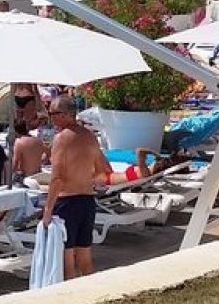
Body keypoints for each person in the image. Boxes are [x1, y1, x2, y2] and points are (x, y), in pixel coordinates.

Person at [42, 95, 110, 280]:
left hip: (67, 202)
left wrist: (48, 210)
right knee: (84, 257)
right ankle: (93, 297)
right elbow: (103, 170)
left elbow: (57, 178)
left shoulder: (61, 139)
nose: (50, 117)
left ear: (64, 115)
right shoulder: (89, 136)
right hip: (87, 201)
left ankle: (69, 301)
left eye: (53, 113)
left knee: (66, 259)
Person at [104, 149, 188, 185]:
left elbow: (140, 151)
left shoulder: (145, 172)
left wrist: (154, 152)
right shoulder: (146, 172)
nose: (154, 160)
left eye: (157, 160)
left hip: (106, 180)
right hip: (108, 175)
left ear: (159, 165)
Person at [11, 118, 48, 183]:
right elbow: (48, 153)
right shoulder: (38, 140)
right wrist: (42, 159)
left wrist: (11, 174)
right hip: (38, 175)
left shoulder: (19, 142)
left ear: (16, 131)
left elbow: (15, 162)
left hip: (25, 176)